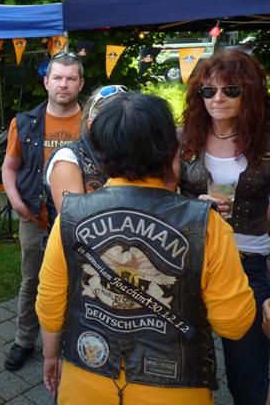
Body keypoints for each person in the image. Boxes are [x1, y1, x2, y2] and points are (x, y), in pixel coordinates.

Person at [37, 92, 255, 405]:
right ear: (171, 151)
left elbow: (50, 307)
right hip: (175, 390)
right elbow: (233, 324)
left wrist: (50, 356)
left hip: (86, 380)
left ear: (100, 154)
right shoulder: (207, 225)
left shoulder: (70, 216)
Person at [176, 50, 270, 405]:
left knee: (248, 373)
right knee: (183, 365)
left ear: (250, 92)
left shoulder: (266, 141)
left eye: (230, 90)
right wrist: (192, 207)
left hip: (249, 263)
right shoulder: (184, 138)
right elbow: (160, 197)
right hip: (192, 260)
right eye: (208, 91)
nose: (217, 98)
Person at [1, 52, 84, 371]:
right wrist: (16, 201)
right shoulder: (24, 122)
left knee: (80, 282)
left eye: (71, 78)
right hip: (36, 220)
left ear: (80, 84)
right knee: (32, 281)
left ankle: (75, 341)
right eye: (58, 77)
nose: (64, 84)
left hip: (81, 222)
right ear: (46, 81)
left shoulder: (93, 122)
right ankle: (24, 340)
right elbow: (10, 167)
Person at [45, 84, 127, 220]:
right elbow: (74, 221)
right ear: (91, 125)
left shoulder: (133, 152)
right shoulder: (68, 159)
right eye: (114, 126)